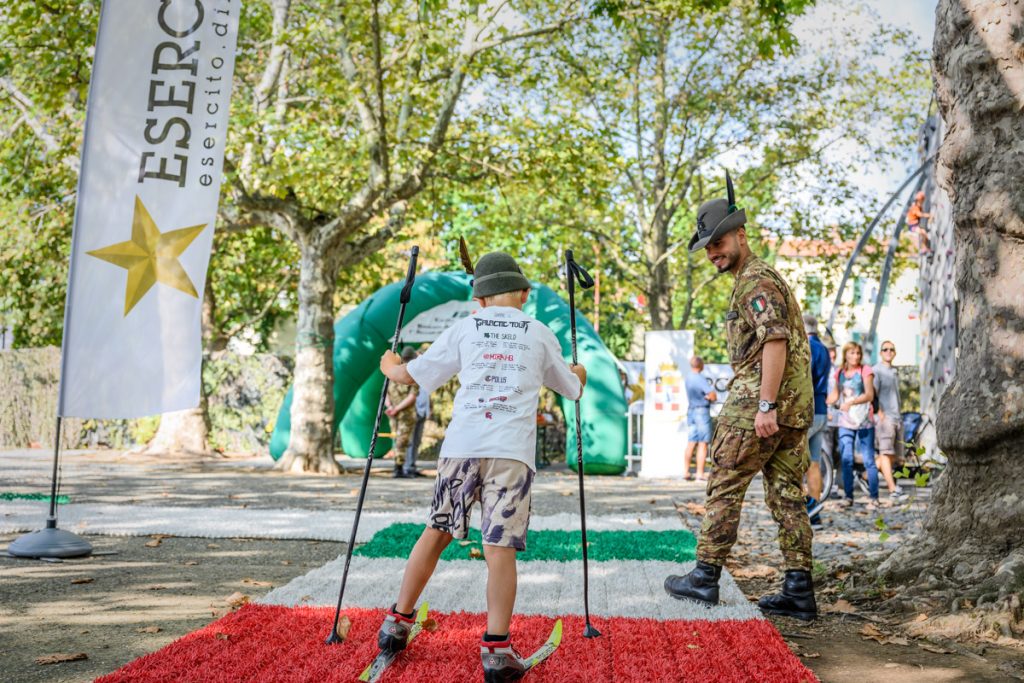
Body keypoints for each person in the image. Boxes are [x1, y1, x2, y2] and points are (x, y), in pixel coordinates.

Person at [377, 251, 586, 681]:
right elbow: (571, 389)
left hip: (462, 447)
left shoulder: (465, 327)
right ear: (524, 293)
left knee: (436, 531)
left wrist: (391, 365)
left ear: (480, 298)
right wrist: (578, 373)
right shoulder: (539, 332)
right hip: (511, 454)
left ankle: (396, 623)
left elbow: (412, 375)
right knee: (499, 547)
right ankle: (496, 650)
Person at [664, 172, 817, 621]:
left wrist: (766, 404)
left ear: (741, 235)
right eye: (708, 247)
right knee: (787, 496)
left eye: (719, 242)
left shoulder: (755, 281)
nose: (713, 253)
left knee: (724, 484)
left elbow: (775, 340)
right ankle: (799, 589)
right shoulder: (759, 277)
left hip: (758, 406)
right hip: (792, 408)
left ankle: (705, 576)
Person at [826, 341, 880, 509]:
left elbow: (869, 395)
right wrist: (821, 402)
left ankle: (874, 497)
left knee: (869, 460)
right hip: (845, 421)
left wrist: (851, 402)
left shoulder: (866, 371)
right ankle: (848, 496)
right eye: (852, 353)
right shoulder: (840, 372)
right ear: (846, 354)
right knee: (846, 459)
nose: (855, 356)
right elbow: (835, 395)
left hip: (864, 421)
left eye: (858, 353)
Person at [803, 314, 831, 528]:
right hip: (821, 408)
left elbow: (805, 377)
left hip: (808, 409)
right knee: (814, 463)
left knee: (792, 462)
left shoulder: (808, 347)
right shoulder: (824, 348)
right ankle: (815, 515)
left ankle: (808, 506)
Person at [872, 340, 906, 501]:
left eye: (891, 349)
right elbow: (872, 393)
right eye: (885, 349)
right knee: (885, 453)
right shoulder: (877, 370)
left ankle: (866, 474)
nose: (888, 352)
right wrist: (879, 413)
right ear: (880, 353)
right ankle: (893, 489)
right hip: (885, 419)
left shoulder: (894, 371)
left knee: (897, 457)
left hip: (897, 417)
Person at [385, 347, 420, 478]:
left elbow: (385, 393)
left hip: (393, 413)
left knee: (398, 440)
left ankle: (399, 468)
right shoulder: (413, 374)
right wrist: (395, 408)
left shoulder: (392, 372)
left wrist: (390, 407)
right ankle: (398, 469)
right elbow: (412, 397)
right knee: (402, 441)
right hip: (405, 415)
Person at [683, 356, 717, 481]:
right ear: (701, 365)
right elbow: (712, 395)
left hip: (691, 410)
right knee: (703, 443)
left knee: (691, 442)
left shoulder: (688, 377)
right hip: (701, 411)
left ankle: (686, 472)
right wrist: (711, 397)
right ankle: (700, 473)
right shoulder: (699, 378)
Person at [907, 191, 932, 255]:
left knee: (924, 234)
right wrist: (929, 215)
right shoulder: (915, 207)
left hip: (916, 224)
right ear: (918, 200)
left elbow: (922, 214)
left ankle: (926, 249)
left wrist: (928, 216)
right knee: (923, 233)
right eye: (921, 200)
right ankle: (923, 249)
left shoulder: (919, 207)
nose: (922, 202)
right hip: (912, 226)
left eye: (922, 201)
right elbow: (920, 214)